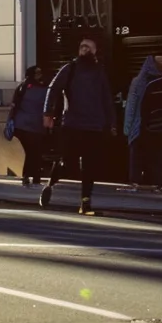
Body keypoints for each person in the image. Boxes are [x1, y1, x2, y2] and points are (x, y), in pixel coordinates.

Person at [42, 37, 116, 215]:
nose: (84, 50)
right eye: (82, 46)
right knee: (67, 163)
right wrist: (47, 113)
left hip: (94, 125)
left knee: (89, 165)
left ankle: (85, 203)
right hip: (72, 124)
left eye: (88, 47)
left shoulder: (100, 72)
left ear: (95, 51)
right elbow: (52, 88)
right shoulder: (70, 68)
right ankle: (50, 184)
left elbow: (107, 98)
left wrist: (112, 122)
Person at [123, 55, 162, 193]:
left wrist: (127, 128)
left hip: (143, 126)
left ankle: (135, 181)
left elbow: (132, 105)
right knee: (158, 155)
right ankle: (156, 182)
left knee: (138, 153)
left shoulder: (139, 81)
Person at [6, 66, 50, 187]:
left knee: (27, 153)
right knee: (35, 153)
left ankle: (26, 176)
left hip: (21, 125)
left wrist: (11, 121)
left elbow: (14, 105)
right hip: (36, 126)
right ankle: (34, 177)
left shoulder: (22, 86)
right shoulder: (45, 89)